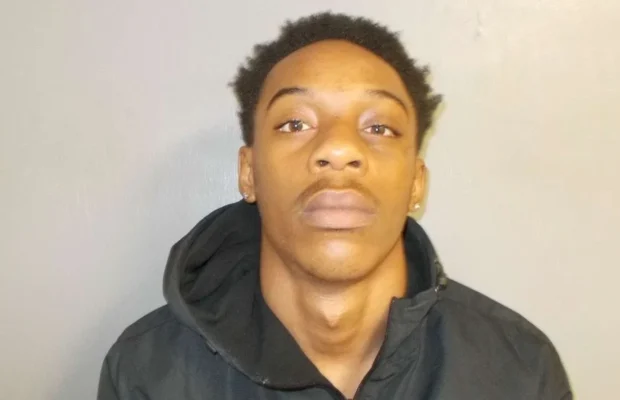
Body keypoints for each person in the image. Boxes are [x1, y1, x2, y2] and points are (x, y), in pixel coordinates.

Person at [97, 12, 572, 400]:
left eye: (379, 128)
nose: (339, 149)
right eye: (295, 124)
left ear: (416, 183)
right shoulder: (146, 373)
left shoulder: (519, 370)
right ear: (249, 172)